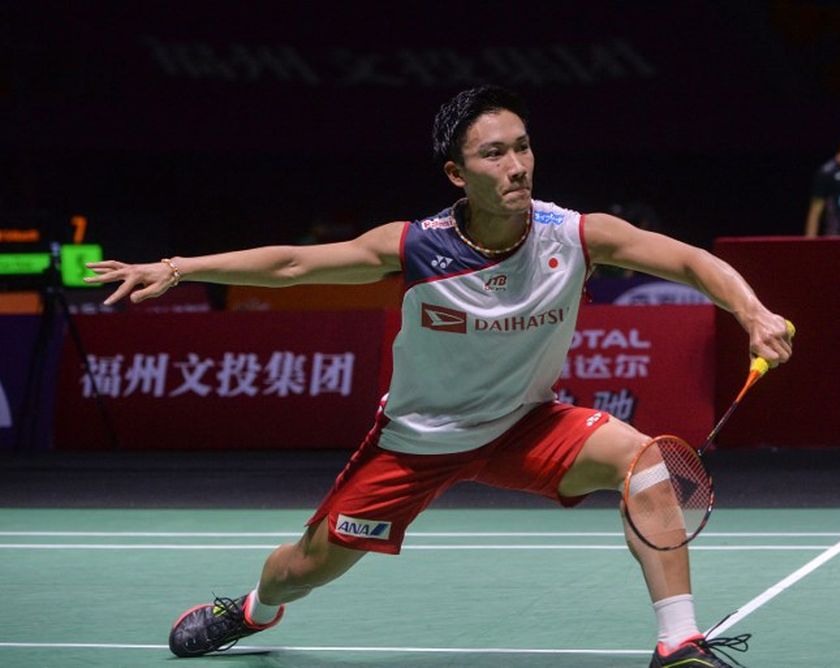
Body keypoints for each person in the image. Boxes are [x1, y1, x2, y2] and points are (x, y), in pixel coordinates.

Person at [85, 85, 793, 668]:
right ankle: (250, 610)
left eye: (522, 147)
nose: (516, 165)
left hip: (525, 425)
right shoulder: (418, 247)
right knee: (300, 569)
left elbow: (692, 262)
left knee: (647, 465)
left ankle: (680, 643)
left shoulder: (573, 235)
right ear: (458, 174)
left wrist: (752, 312)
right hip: (417, 441)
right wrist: (178, 268)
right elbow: (294, 264)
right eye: (494, 153)